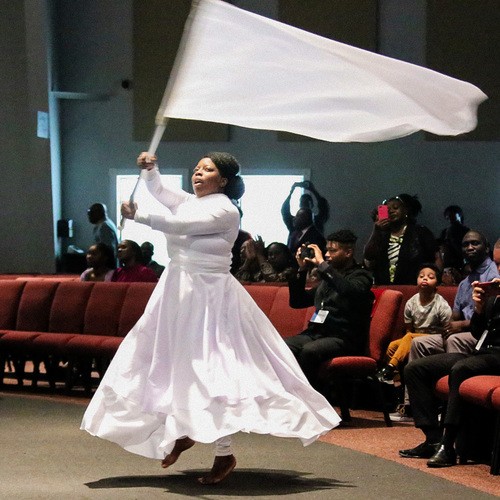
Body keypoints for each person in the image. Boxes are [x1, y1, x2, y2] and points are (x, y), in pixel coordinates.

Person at [81, 152, 340, 485]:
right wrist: (151, 169)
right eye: (197, 169)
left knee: (215, 370)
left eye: (208, 170)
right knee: (172, 362)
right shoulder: (190, 202)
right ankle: (185, 429)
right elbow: (160, 191)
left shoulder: (226, 210)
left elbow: (183, 226)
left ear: (224, 180)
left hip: (210, 296)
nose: (199, 173)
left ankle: (223, 453)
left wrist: (140, 216)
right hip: (176, 291)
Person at [392, 230, 499, 422]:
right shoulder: (465, 282)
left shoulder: (493, 275)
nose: (470, 247)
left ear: (487, 248)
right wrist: (447, 324)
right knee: (420, 344)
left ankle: (451, 408)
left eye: (475, 243)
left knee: (455, 340)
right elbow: (456, 315)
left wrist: (462, 324)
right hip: (468, 330)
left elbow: (488, 321)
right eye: (465, 244)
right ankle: (412, 407)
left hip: (478, 335)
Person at [399, 277, 500, 467]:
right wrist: (479, 309)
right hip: (481, 354)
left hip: (497, 358)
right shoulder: (494, 298)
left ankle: (447, 445)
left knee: (461, 369)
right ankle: (433, 439)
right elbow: (478, 333)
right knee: (416, 368)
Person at [285, 229, 374, 390]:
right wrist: (302, 269)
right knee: (283, 346)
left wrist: (322, 266)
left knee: (309, 352)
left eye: (332, 251)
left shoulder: (361, 275)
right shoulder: (328, 278)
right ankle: (286, 393)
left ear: (348, 252)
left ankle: (311, 396)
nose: (326, 255)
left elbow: (348, 290)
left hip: (343, 337)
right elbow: (297, 302)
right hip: (316, 333)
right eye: (326, 250)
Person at [376, 264, 452, 384]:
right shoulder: (411, 302)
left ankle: (389, 368)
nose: (425, 278)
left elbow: (448, 328)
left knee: (410, 338)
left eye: (430, 277)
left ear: (437, 284)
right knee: (392, 347)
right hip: (414, 336)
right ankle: (396, 378)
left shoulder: (441, 304)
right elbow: (409, 329)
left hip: (436, 338)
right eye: (421, 276)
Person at [363, 194, 437, 285]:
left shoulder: (420, 232)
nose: (391, 211)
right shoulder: (382, 235)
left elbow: (435, 258)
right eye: (387, 210)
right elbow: (368, 258)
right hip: (385, 287)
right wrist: (377, 230)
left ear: (406, 211)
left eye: (395, 208)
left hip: (413, 286)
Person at [436, 205, 469, 275]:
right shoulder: (446, 232)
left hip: (463, 261)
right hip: (450, 263)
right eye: (448, 217)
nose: (450, 219)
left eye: (452, 216)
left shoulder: (466, 231)